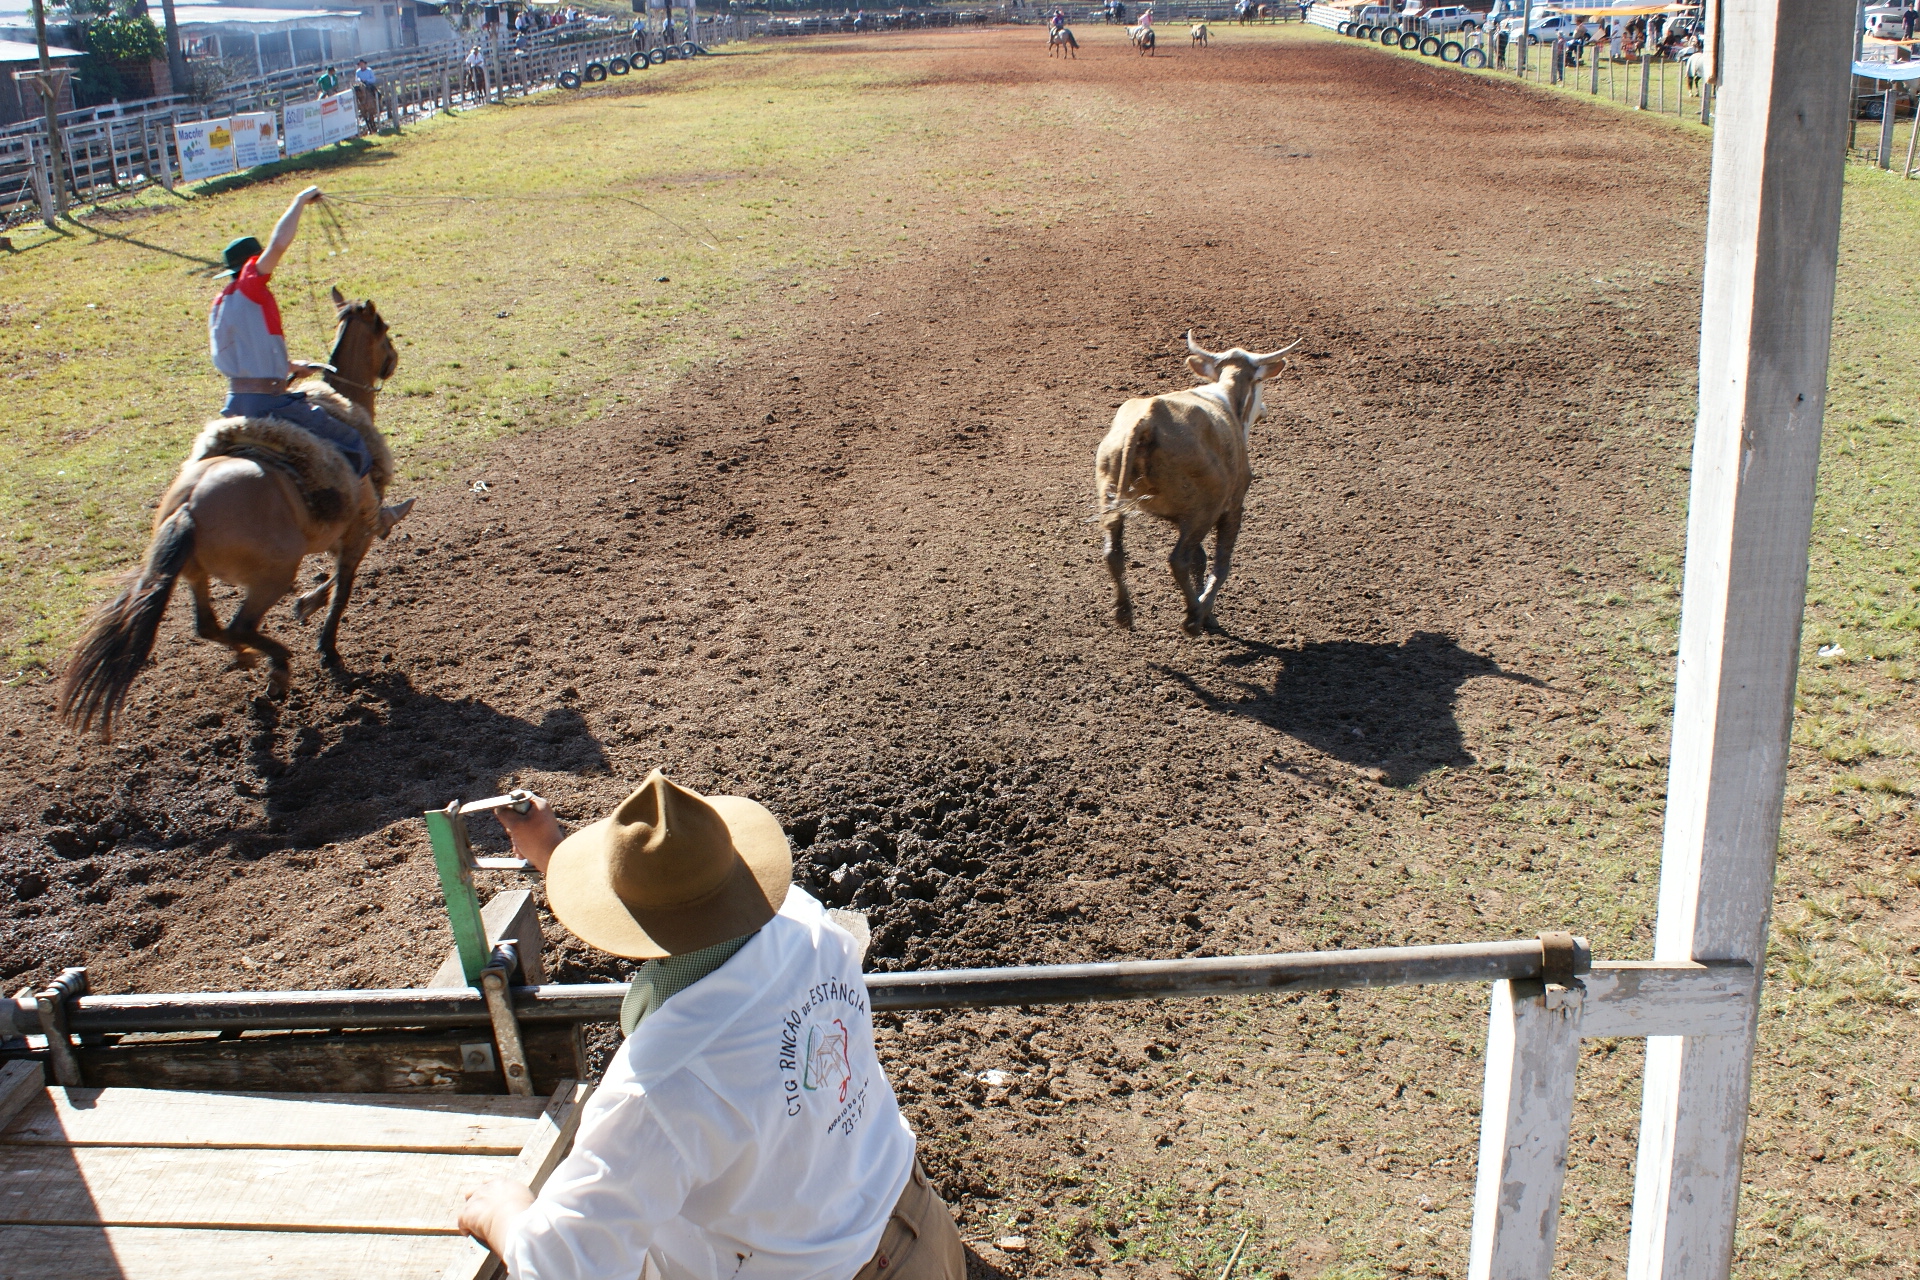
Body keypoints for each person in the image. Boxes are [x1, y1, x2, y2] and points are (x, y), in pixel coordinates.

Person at [457, 773, 967, 1280]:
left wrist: (505, 1214)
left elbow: (564, 1268)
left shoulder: (655, 1088)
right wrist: (553, 854)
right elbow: (691, 922)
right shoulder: (809, 922)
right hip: (918, 1225)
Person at [208, 187, 375, 479]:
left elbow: (246, 354)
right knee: (352, 441)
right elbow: (279, 244)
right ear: (251, 264)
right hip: (270, 403)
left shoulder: (223, 302)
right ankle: (371, 518)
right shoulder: (251, 287)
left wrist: (290, 366)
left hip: (234, 402)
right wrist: (299, 202)